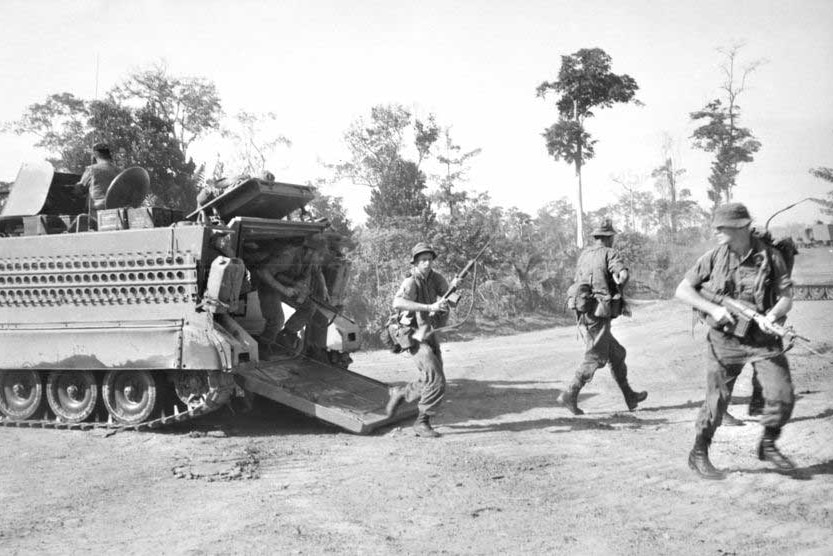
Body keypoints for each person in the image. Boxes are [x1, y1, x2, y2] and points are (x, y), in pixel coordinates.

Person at [675, 202, 796, 480]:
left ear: (741, 227)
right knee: (716, 402)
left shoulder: (772, 257)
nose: (716, 231)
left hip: (762, 339)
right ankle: (699, 453)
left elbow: (786, 298)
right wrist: (713, 309)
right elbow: (683, 290)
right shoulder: (714, 257)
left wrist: (773, 315)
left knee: (782, 394)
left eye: (722, 227)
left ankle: (768, 444)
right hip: (725, 341)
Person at [561, 219, 647, 415]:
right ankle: (570, 393)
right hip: (599, 311)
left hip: (584, 310)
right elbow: (623, 275)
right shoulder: (610, 253)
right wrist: (619, 289)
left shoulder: (585, 255)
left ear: (596, 237)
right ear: (610, 238)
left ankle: (630, 396)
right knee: (596, 356)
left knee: (617, 353)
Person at [385, 242, 455, 438]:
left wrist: (453, 294)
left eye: (429, 259)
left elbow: (450, 295)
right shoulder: (411, 282)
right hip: (411, 334)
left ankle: (401, 393)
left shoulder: (435, 278)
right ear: (415, 263)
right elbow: (397, 302)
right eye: (422, 260)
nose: (427, 263)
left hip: (426, 331)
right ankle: (421, 422)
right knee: (436, 378)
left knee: (428, 378)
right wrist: (430, 307)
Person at [76, 143, 120, 211]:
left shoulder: (92, 169)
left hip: (97, 211)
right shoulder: (119, 171)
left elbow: (80, 190)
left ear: (94, 155)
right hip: (117, 209)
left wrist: (76, 186)